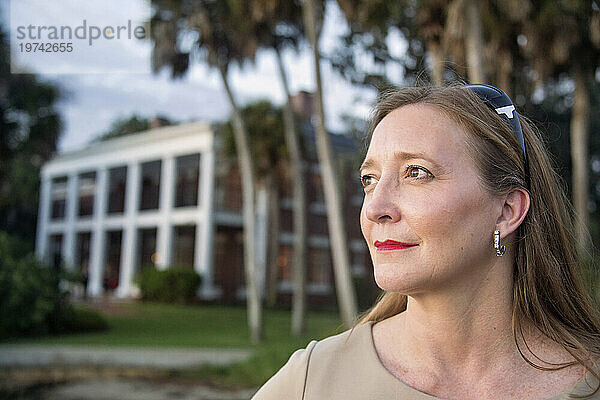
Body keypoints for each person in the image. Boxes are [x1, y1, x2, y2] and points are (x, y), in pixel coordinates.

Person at [252, 84, 600, 400]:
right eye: (369, 179)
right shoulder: (311, 381)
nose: (375, 208)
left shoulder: (590, 380)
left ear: (507, 210)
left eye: (417, 172)